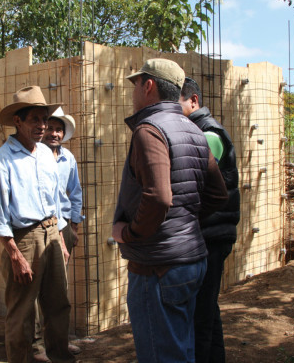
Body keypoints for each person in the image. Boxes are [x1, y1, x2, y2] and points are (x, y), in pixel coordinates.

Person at [112, 58, 228, 362]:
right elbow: (217, 194)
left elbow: (159, 197)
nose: (133, 92)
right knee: (182, 348)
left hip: (158, 267)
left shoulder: (149, 130)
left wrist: (129, 233)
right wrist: (186, 220)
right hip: (193, 260)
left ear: (148, 85)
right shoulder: (193, 130)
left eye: (136, 84)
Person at [0, 85, 75, 363]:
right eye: (34, 119)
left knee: (58, 303)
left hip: (52, 233)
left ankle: (60, 357)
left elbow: (56, 202)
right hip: (23, 238)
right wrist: (14, 254)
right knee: (23, 310)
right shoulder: (2, 160)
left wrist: (61, 239)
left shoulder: (47, 155)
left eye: (44, 119)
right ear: (18, 121)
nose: (42, 125)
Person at [179, 77, 240, 363]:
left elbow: (198, 183)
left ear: (194, 100)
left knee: (200, 314)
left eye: (177, 103)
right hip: (210, 231)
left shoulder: (209, 135)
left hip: (212, 234)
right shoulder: (199, 130)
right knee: (208, 308)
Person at [33, 107, 84, 360]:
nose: (54, 133)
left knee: (58, 290)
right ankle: (37, 346)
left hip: (63, 227)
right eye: (50, 128)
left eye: (58, 129)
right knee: (34, 288)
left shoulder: (69, 159)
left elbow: (75, 193)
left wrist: (73, 227)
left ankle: (59, 343)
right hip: (39, 227)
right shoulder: (34, 157)